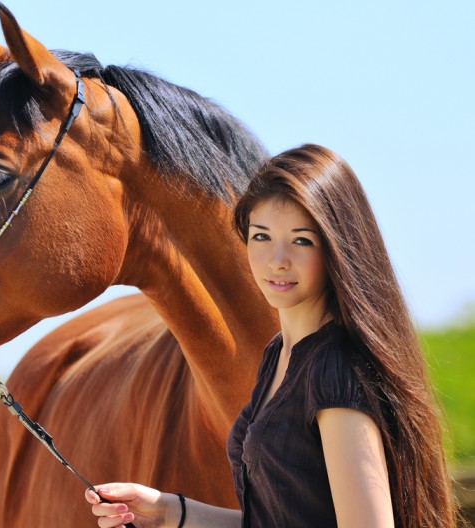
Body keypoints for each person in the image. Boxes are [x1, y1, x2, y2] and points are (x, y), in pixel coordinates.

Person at [85, 144, 458, 527]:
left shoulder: (333, 369)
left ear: (337, 247)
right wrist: (169, 512)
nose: (277, 259)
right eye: (261, 236)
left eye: (301, 240)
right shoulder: (279, 354)